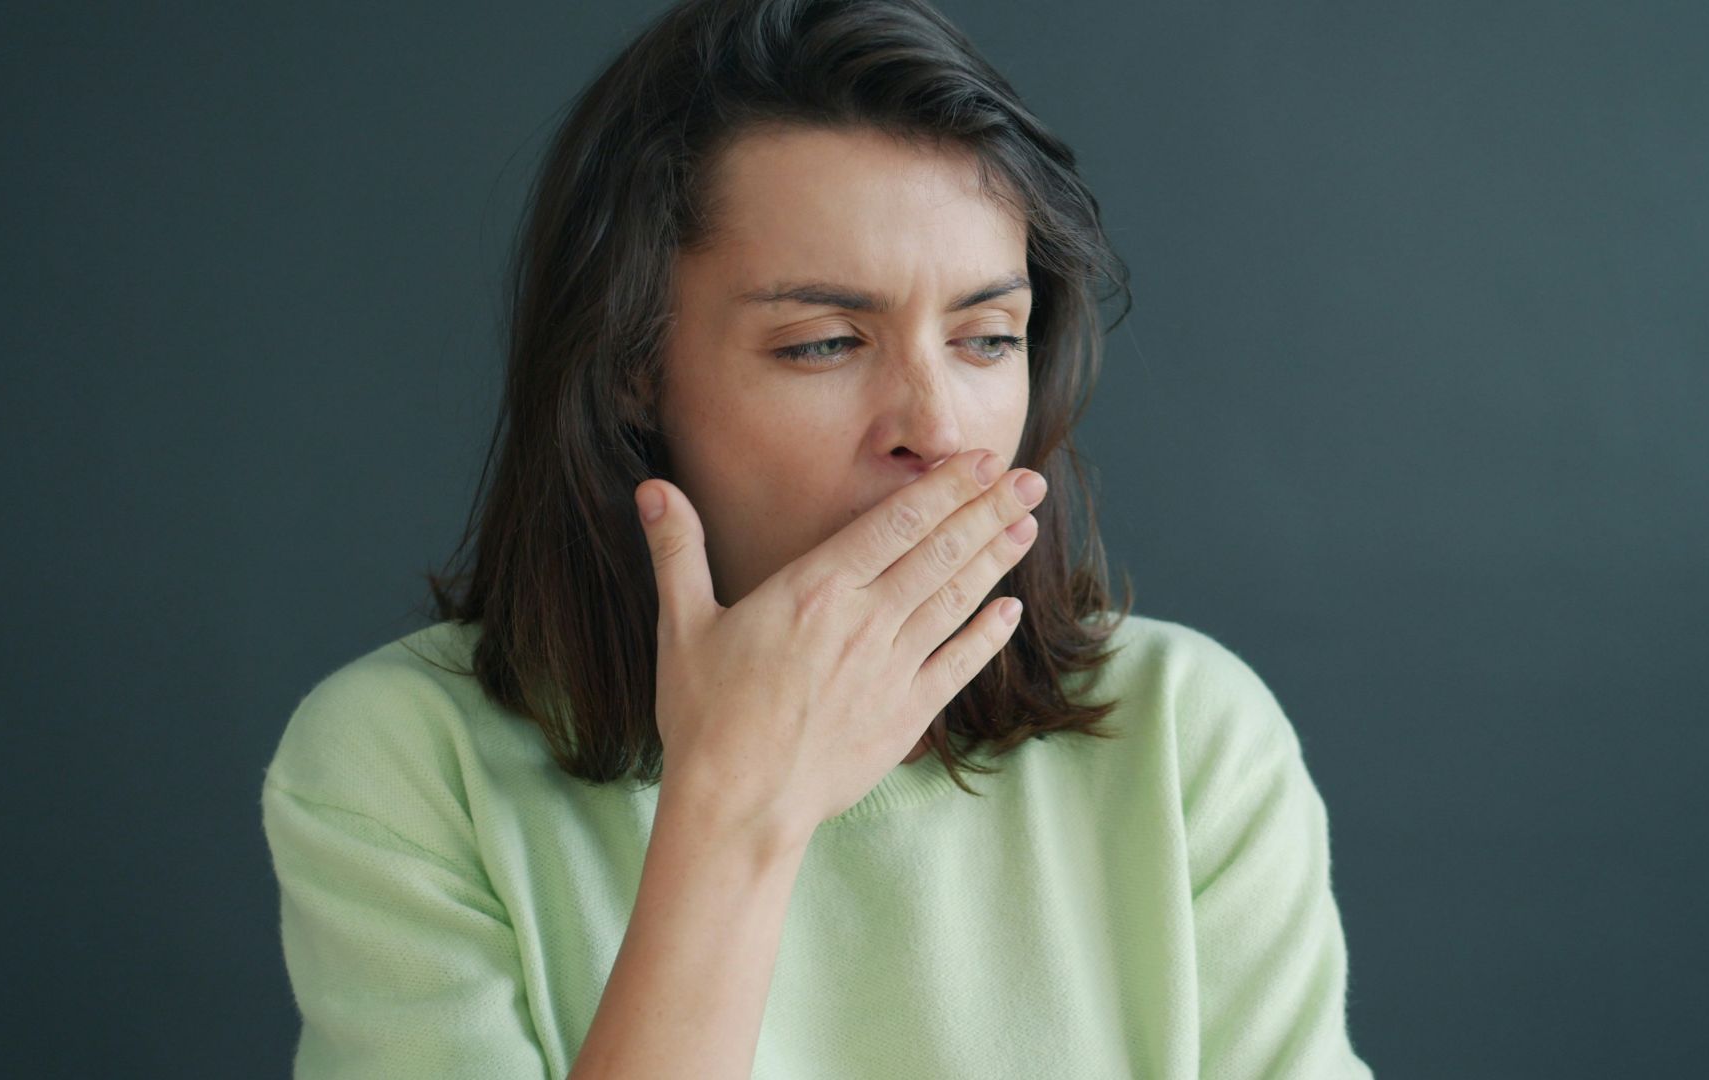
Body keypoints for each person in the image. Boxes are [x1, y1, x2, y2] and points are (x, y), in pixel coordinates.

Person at [259, 0, 1376, 1076]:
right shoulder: (403, 764)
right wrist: (737, 810)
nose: (934, 430)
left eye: (987, 338)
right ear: (634, 367)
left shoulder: (1190, 738)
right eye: (826, 344)